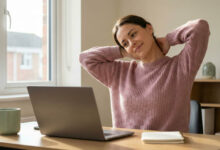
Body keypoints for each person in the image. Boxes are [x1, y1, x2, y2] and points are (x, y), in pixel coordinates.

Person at [79, 15, 210, 132]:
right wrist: (124, 51)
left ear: (149, 28)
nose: (132, 43)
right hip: (125, 147)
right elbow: (85, 58)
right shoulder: (118, 73)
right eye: (125, 43)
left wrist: (168, 39)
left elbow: (200, 27)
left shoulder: (180, 67)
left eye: (133, 35)